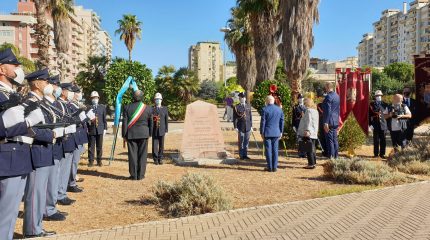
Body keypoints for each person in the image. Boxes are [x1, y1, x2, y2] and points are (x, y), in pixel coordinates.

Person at [0, 48, 37, 240]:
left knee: (11, 212)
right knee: (4, 215)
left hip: (18, 157)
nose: (17, 69)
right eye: (14, 66)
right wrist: (27, 123)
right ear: (2, 69)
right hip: (7, 157)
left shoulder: (11, 94)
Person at [22, 68, 60, 238]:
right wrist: (51, 135)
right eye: (45, 81)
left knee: (40, 193)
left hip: (44, 152)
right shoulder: (30, 102)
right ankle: (32, 230)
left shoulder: (41, 102)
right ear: (37, 83)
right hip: (36, 152)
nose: (48, 84)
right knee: (35, 194)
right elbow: (29, 129)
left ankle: (37, 227)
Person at [43, 75, 67, 221]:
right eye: (54, 84)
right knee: (49, 180)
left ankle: (52, 206)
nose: (56, 88)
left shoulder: (56, 103)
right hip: (47, 144)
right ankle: (49, 209)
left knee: (55, 176)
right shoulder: (43, 103)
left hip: (57, 143)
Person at [122, 90, 153, 180]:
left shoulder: (127, 107)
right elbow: (151, 122)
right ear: (142, 97)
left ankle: (134, 175)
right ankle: (141, 175)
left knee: (132, 155)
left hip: (131, 134)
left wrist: (124, 135)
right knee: (143, 155)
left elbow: (124, 123)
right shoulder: (148, 108)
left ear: (132, 97)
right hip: (144, 134)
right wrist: (149, 133)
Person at [57, 83, 78, 205]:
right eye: (69, 91)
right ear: (63, 91)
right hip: (64, 140)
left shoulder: (66, 104)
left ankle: (62, 192)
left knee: (65, 170)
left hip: (69, 139)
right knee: (62, 170)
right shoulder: (59, 104)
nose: (71, 93)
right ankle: (60, 194)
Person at [260, 95, 284, 172]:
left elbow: (263, 122)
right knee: (275, 150)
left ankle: (269, 167)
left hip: (267, 132)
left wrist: (262, 132)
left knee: (268, 150)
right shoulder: (279, 110)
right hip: (276, 132)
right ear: (273, 101)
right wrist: (281, 131)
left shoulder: (264, 109)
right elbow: (282, 121)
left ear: (267, 101)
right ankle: (274, 167)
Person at [297, 98, 319, 169]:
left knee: (308, 148)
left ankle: (311, 164)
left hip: (309, 132)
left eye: (305, 103)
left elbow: (308, 121)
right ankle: (314, 162)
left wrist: (307, 130)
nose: (304, 104)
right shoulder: (316, 111)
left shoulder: (308, 111)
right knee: (313, 148)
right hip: (314, 132)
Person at [87, 91, 107, 167]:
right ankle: (91, 161)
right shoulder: (88, 107)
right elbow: (86, 119)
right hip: (91, 129)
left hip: (100, 129)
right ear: (91, 99)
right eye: (93, 98)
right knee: (91, 146)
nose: (95, 99)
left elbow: (104, 119)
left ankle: (99, 161)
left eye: (96, 98)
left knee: (99, 146)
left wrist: (105, 128)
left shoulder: (102, 107)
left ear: (98, 98)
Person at [322, 82, 340, 159]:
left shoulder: (328, 97)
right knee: (334, 140)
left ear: (327, 87)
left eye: (325, 87)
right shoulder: (337, 96)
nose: (325, 89)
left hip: (329, 121)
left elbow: (328, 111)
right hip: (335, 120)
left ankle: (331, 157)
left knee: (330, 140)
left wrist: (326, 122)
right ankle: (336, 156)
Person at [369, 90, 388, 159]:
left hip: (383, 124)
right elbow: (369, 115)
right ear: (375, 96)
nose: (379, 97)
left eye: (380, 95)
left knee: (383, 140)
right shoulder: (371, 104)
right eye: (377, 95)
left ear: (382, 96)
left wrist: (388, 125)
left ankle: (382, 154)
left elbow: (387, 115)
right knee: (376, 140)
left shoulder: (385, 104)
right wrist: (370, 124)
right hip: (375, 124)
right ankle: (376, 154)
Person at [233, 92, 253, 160]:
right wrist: (235, 127)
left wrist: (251, 126)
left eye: (244, 97)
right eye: (242, 98)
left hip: (248, 127)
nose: (243, 99)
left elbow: (250, 117)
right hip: (240, 126)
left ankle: (245, 155)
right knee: (241, 142)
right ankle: (241, 155)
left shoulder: (248, 106)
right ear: (239, 98)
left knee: (246, 142)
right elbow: (235, 118)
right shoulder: (236, 107)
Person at [151, 92, 168, 165]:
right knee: (155, 145)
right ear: (154, 100)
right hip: (154, 129)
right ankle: (155, 159)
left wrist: (166, 129)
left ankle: (160, 158)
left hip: (162, 129)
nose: (158, 101)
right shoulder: (152, 109)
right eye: (156, 99)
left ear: (161, 100)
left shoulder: (165, 109)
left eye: (159, 99)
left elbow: (166, 120)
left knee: (161, 145)